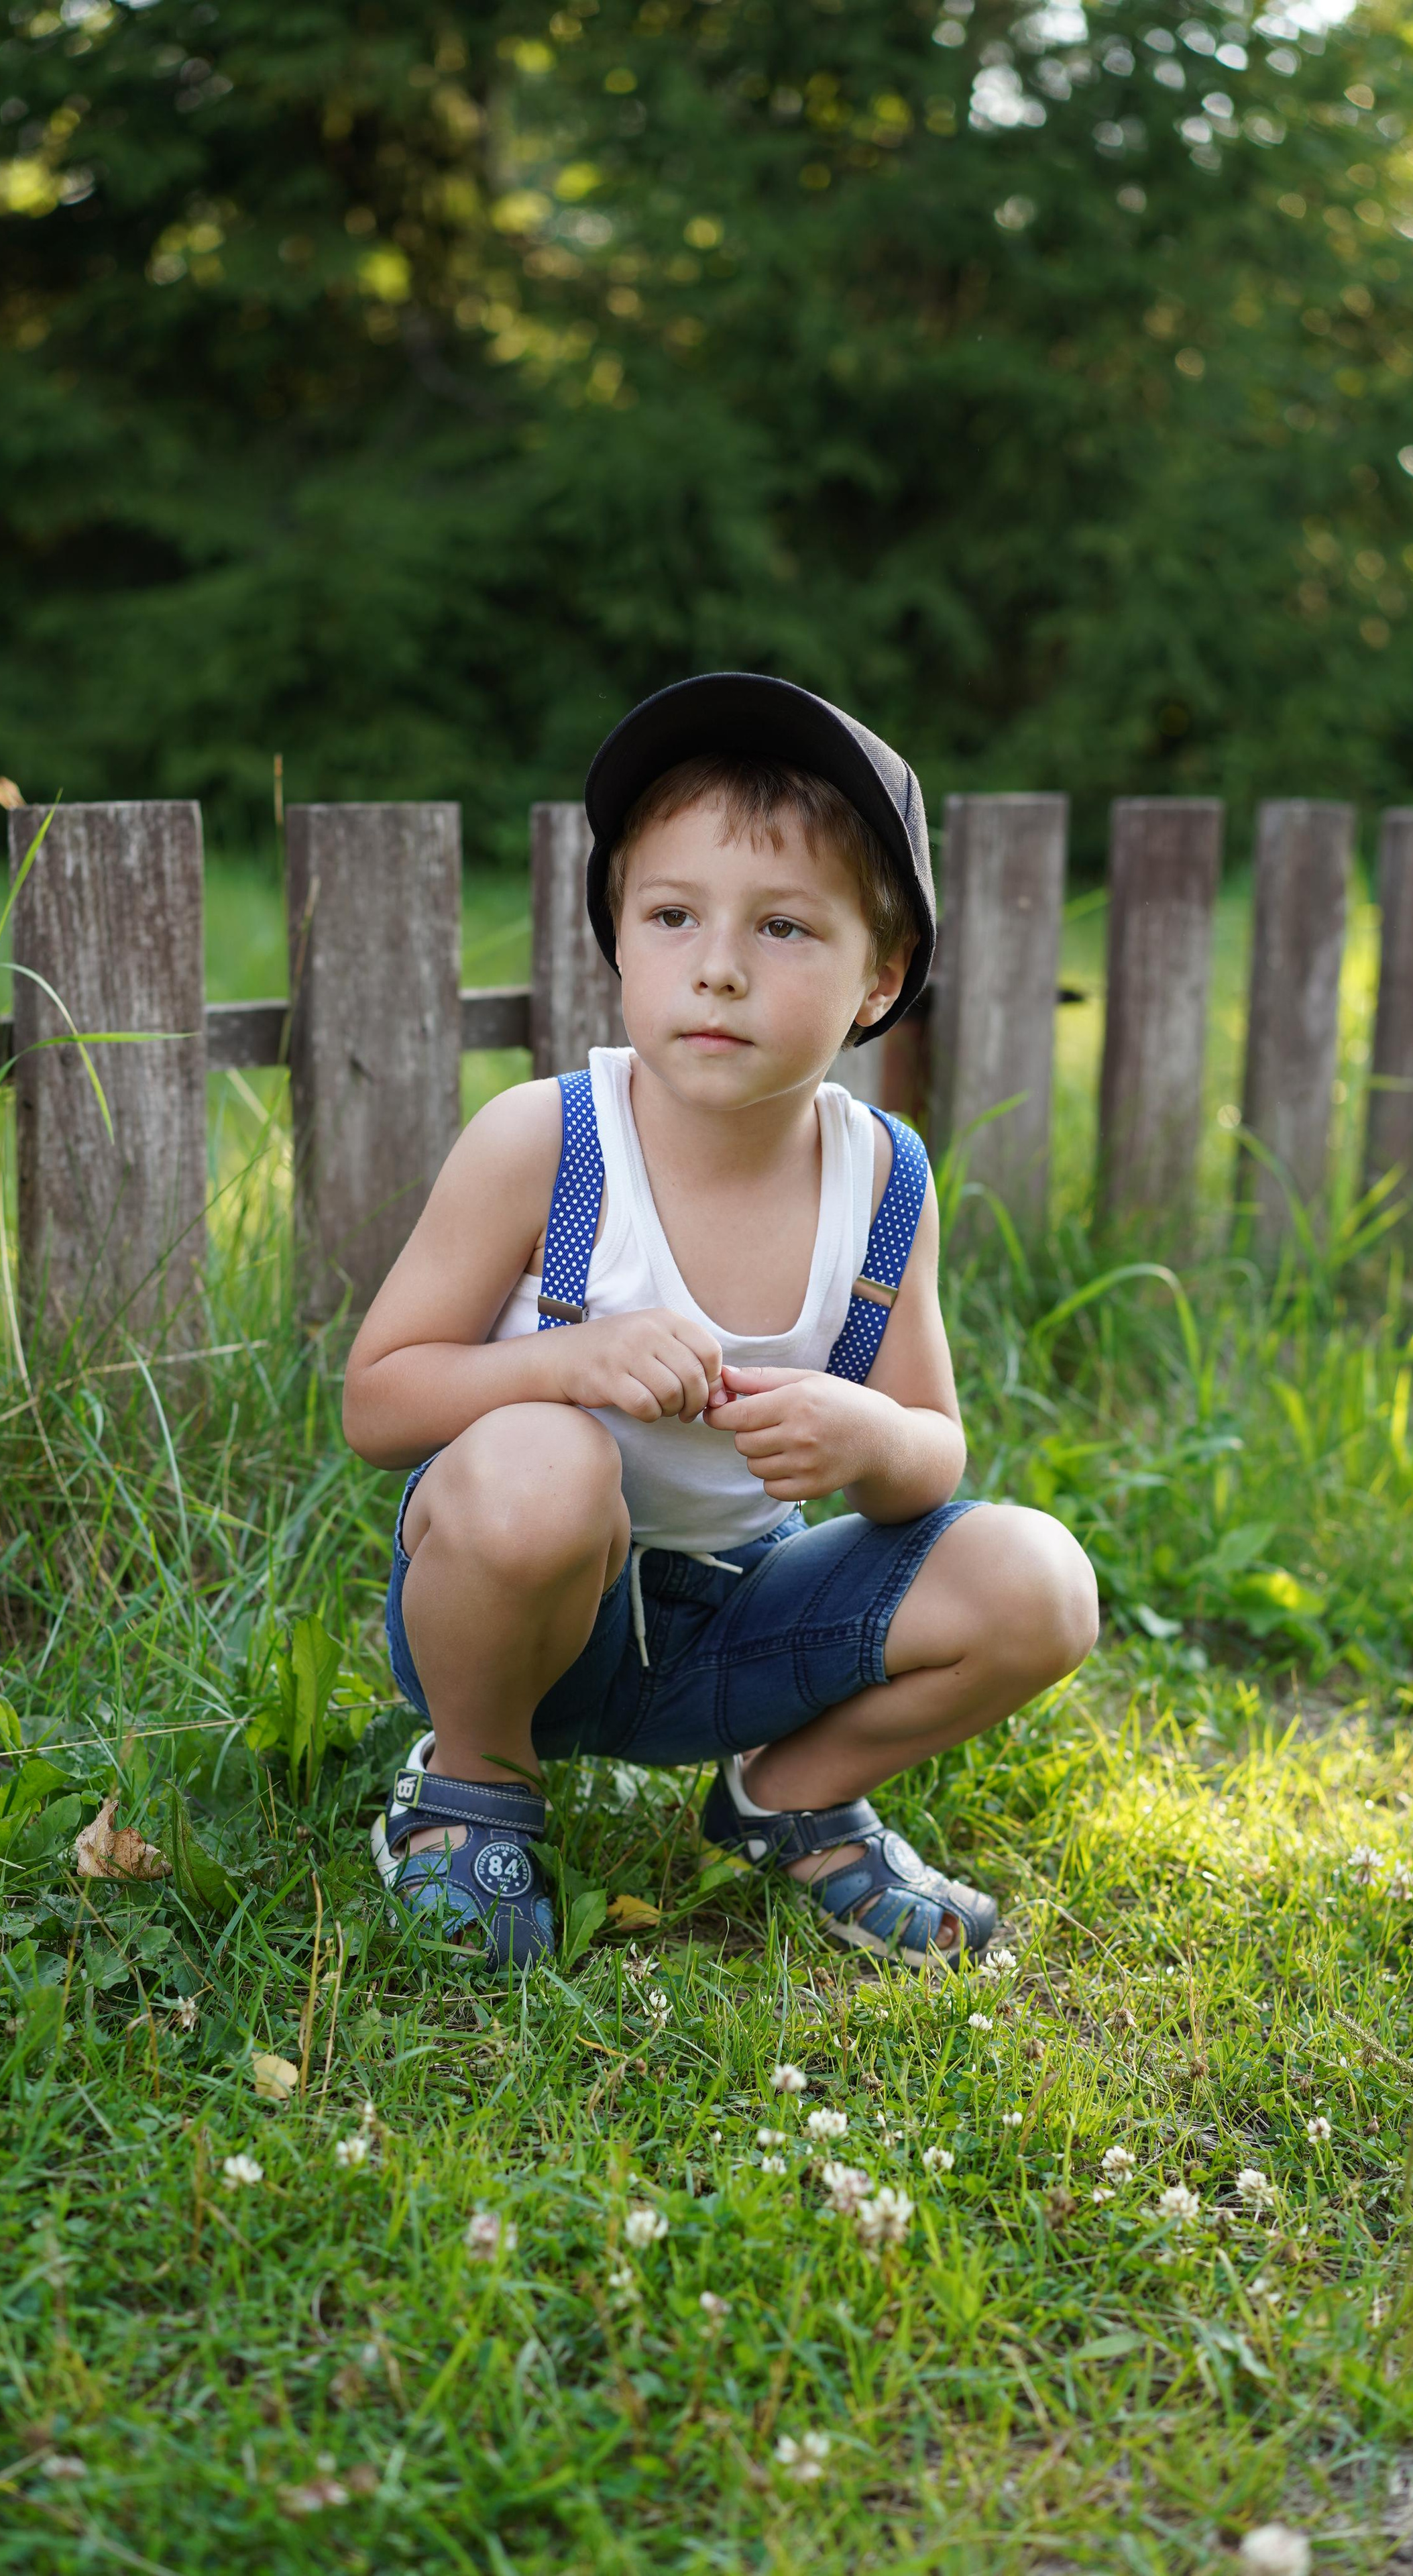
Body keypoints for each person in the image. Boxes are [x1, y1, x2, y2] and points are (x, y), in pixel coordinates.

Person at [341, 673, 1098, 1970]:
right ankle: (470, 1787)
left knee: (1041, 1583)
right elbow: (379, 1401)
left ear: (883, 976)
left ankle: (789, 1795)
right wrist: (566, 1362)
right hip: (524, 1610)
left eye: (788, 929)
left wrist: (866, 1437)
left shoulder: (883, 1181)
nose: (722, 967)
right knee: (546, 1459)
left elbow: (932, 1453)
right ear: (620, 942)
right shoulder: (547, 1141)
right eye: (674, 915)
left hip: (746, 1617)